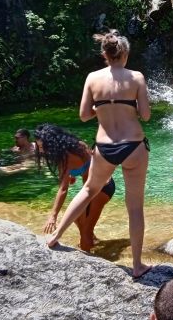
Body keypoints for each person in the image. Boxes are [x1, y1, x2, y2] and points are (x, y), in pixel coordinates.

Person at [45, 30, 152, 278]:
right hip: (133, 145)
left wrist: (102, 107)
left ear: (104, 54)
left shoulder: (92, 78)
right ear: (124, 53)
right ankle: (137, 266)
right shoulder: (136, 78)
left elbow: (83, 115)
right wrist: (130, 105)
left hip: (104, 146)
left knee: (88, 191)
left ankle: (55, 236)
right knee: (135, 207)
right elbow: (145, 116)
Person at [35, 123, 115, 252]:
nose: (40, 150)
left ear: (51, 143)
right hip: (98, 187)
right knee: (77, 218)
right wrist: (73, 175)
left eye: (41, 146)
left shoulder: (65, 157)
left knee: (85, 231)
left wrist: (53, 216)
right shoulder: (76, 145)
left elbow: (63, 189)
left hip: (102, 190)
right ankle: (92, 240)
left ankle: (89, 258)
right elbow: (87, 166)